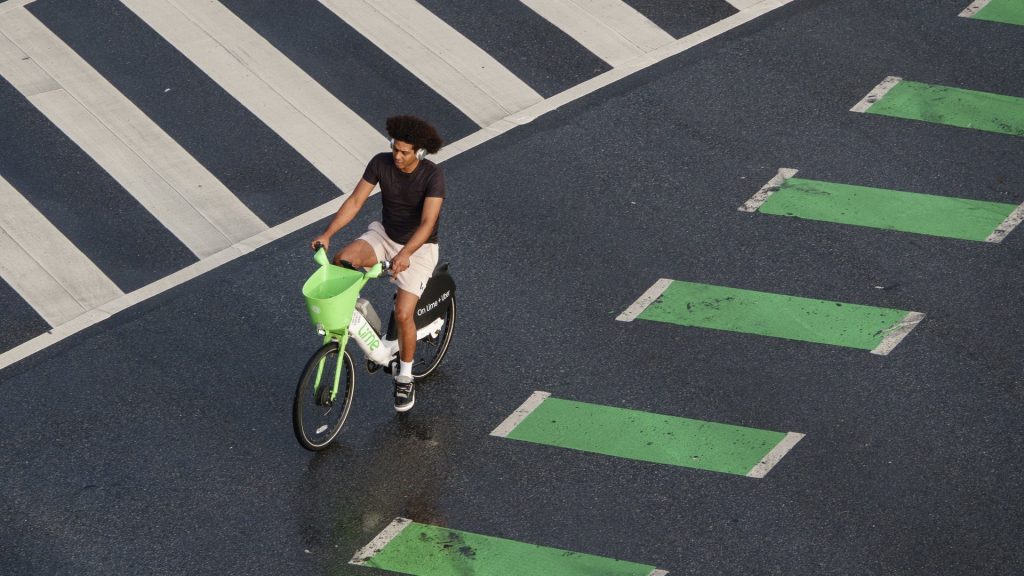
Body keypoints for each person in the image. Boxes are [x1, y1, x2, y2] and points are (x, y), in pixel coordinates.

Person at [311, 116, 445, 413]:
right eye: (394, 149)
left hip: (419, 248)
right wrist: (328, 233)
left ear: (420, 153)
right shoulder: (380, 163)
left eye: (404, 152)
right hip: (384, 235)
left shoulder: (432, 176)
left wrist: (406, 253)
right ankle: (365, 324)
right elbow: (356, 201)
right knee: (342, 261)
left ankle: (406, 376)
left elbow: (427, 223)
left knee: (403, 312)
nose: (397, 156)